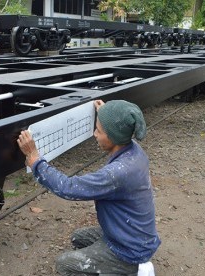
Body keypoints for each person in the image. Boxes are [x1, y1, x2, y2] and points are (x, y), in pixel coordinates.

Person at [17, 99, 160, 276]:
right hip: (133, 235)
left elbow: (69, 188)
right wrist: (106, 113)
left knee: (64, 264)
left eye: (99, 130)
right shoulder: (133, 151)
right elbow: (118, 126)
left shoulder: (117, 173)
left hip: (129, 249)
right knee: (78, 237)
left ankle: (133, 269)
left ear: (113, 137)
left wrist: (35, 159)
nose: (94, 134)